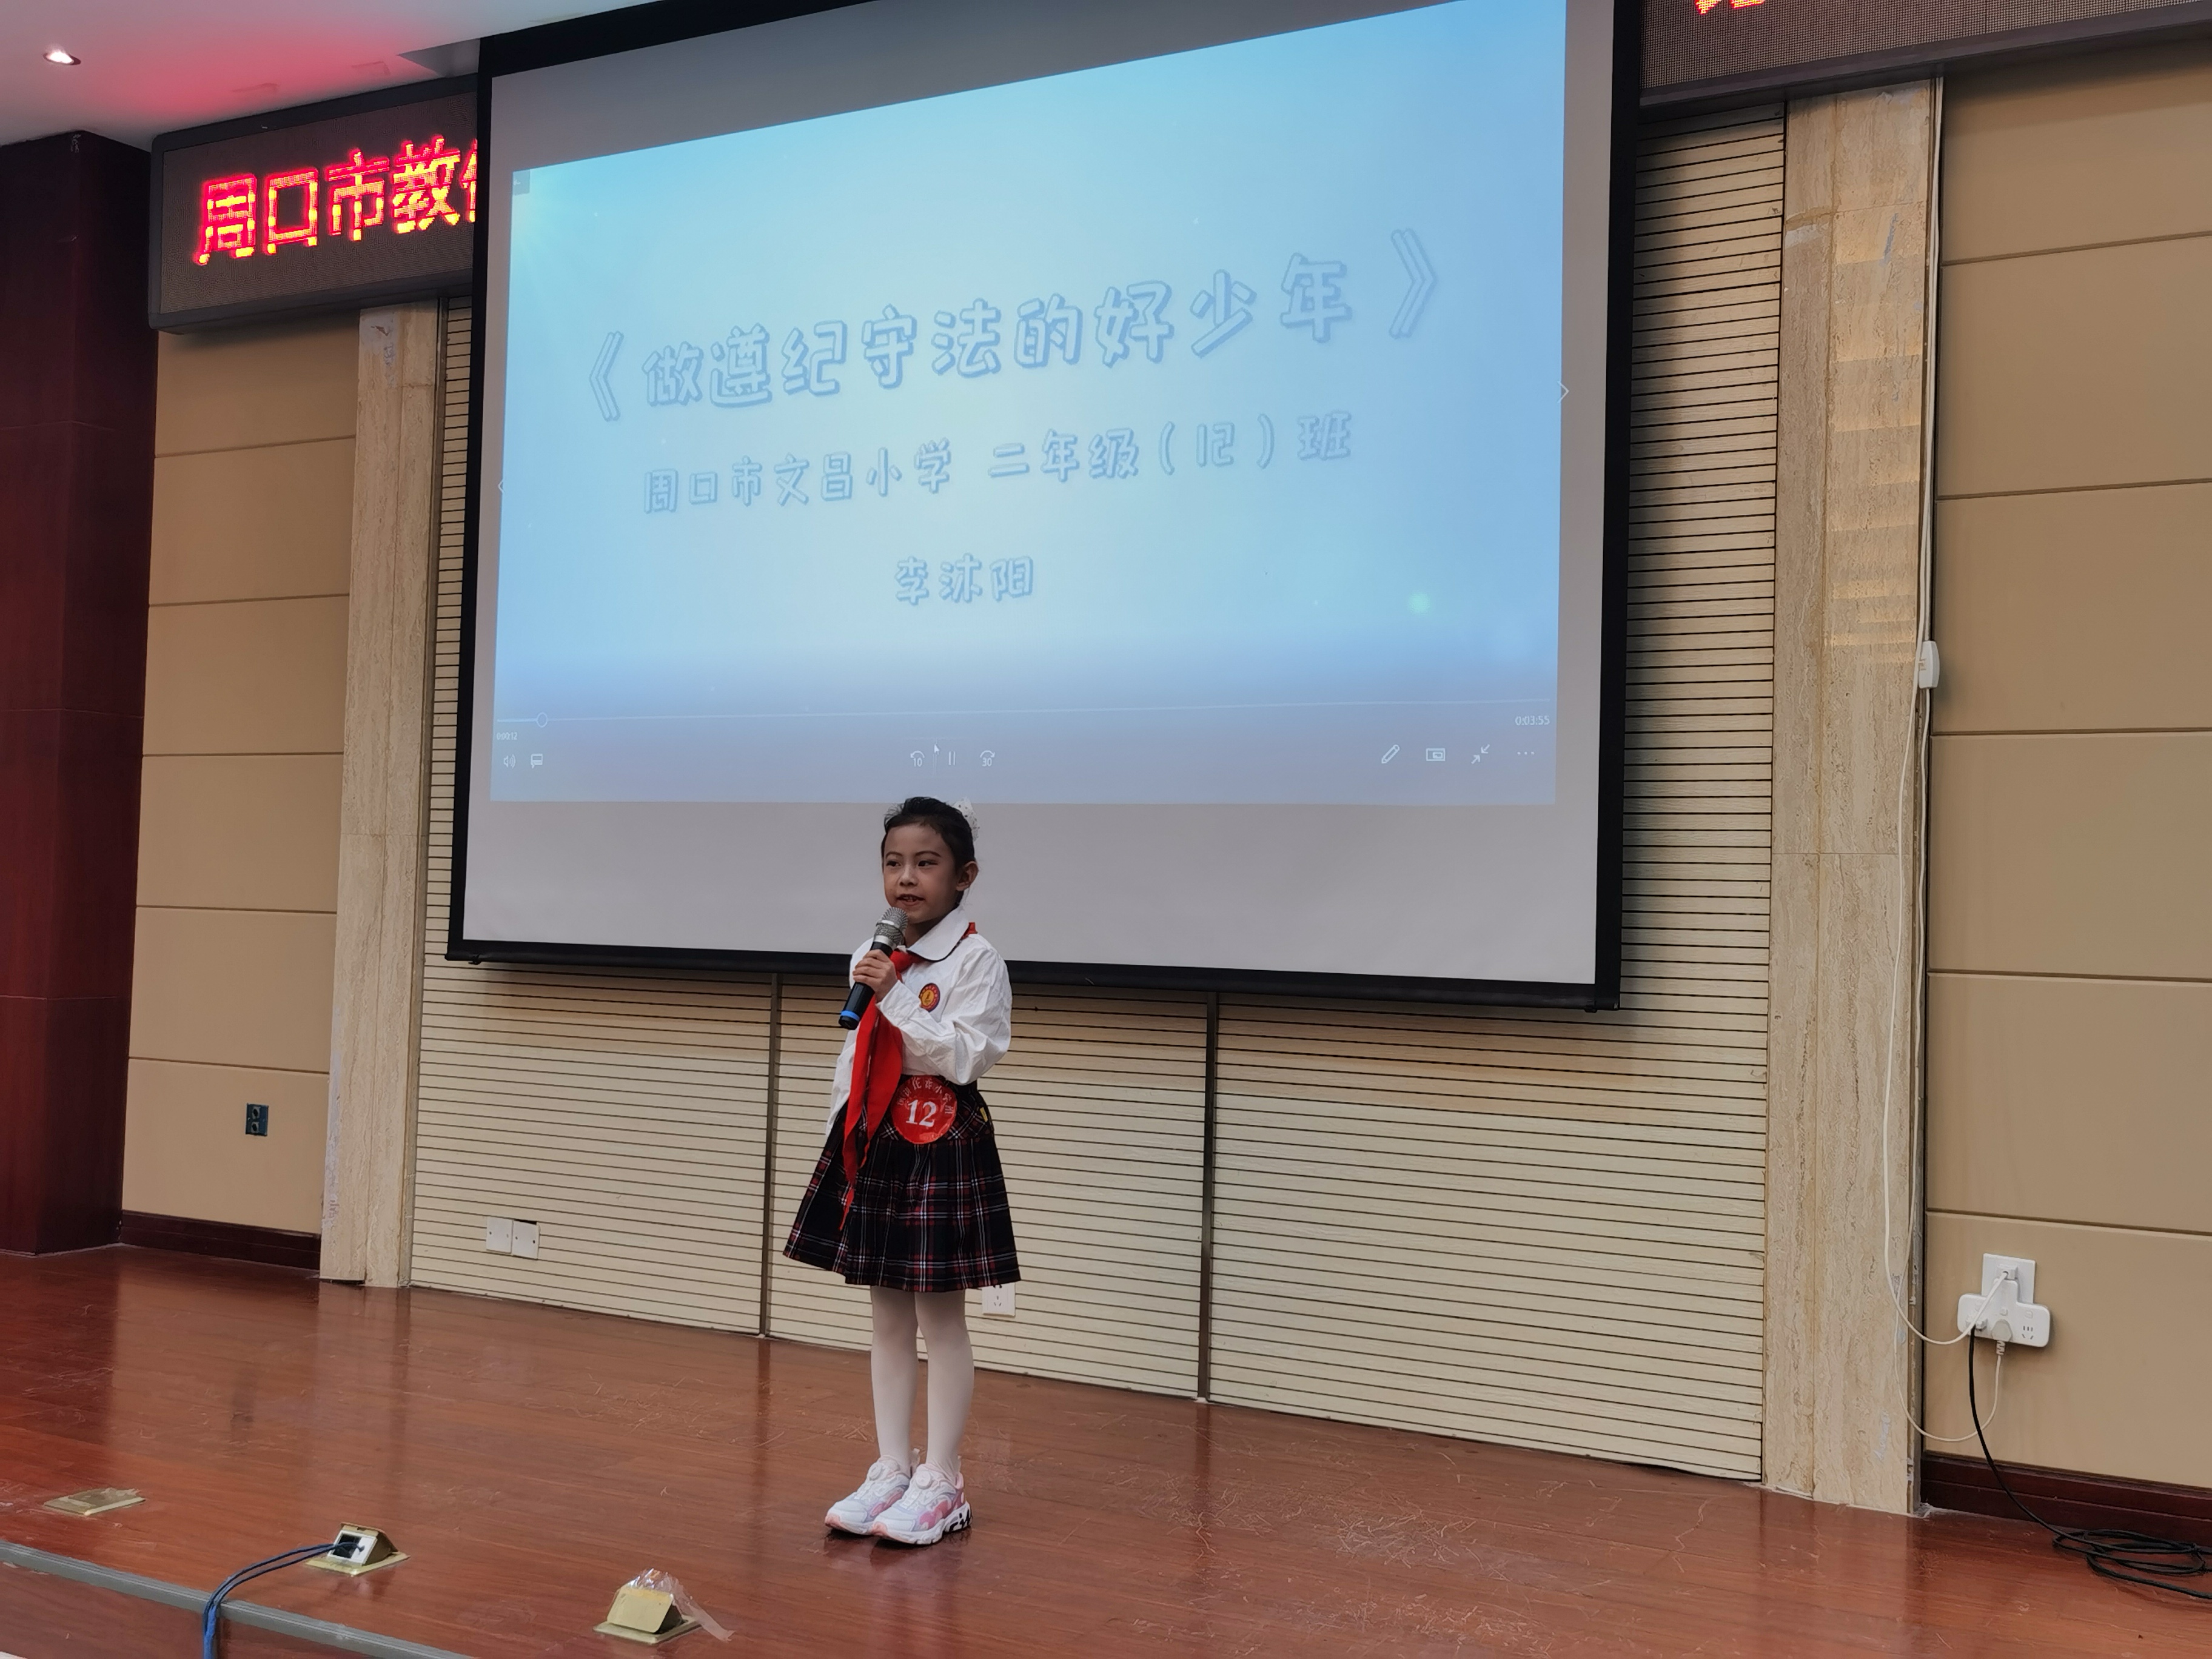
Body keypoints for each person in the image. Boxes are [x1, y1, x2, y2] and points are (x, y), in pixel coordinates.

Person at [783, 796, 1019, 1546]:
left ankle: (943, 1480)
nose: (906, 878)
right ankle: (892, 1467)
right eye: (893, 863)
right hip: (878, 1139)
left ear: (964, 876)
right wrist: (841, 1134)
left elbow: (966, 1055)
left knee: (939, 1319)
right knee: (885, 1314)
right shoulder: (875, 950)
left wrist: (895, 997)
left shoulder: (976, 960)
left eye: (925, 863)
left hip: (941, 1142)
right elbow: (857, 1051)